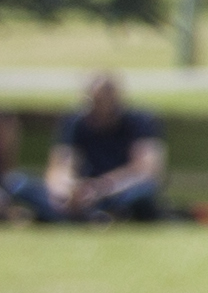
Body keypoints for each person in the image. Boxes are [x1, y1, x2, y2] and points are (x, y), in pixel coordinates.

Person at [22, 72, 176, 223]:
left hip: (120, 189)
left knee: (142, 194)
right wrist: (68, 190)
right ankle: (86, 214)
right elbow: (61, 166)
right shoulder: (75, 122)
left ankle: (102, 214)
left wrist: (102, 187)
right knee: (20, 186)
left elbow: (147, 170)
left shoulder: (141, 121)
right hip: (84, 189)